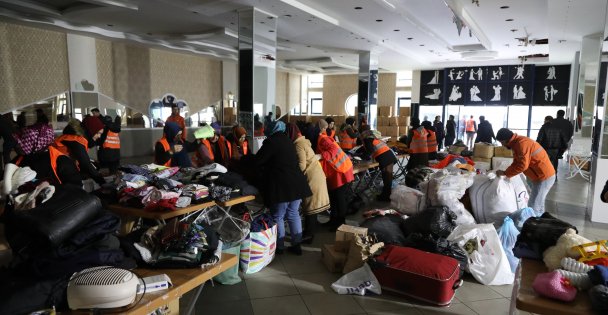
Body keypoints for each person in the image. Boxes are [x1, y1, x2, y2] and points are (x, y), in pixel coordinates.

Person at [255, 120, 312, 255]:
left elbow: (259, 160)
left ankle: (279, 247)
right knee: (293, 214)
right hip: (297, 184)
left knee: (278, 216)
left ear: (271, 129)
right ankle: (297, 245)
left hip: (282, 185)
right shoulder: (288, 141)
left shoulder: (271, 142)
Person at [286, 123, 330, 243]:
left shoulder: (298, 145)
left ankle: (309, 235)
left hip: (312, 177)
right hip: (316, 175)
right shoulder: (304, 142)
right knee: (312, 207)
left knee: (310, 207)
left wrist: (291, 175)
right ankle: (309, 233)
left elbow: (301, 164)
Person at [495, 128, 556, 214]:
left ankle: (533, 225)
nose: (502, 145)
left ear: (506, 140)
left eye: (502, 142)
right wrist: (506, 173)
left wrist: (506, 173)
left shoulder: (521, 144)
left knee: (533, 206)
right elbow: (517, 162)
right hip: (541, 176)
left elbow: (522, 165)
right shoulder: (517, 143)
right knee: (539, 204)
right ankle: (541, 222)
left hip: (544, 177)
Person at [52, 118, 105, 185]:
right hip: (56, 172)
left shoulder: (73, 137)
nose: (99, 136)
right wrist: (102, 183)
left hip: (59, 169)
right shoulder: (76, 140)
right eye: (98, 133)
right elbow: (85, 164)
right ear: (91, 131)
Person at [318, 134, 354, 230]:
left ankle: (340, 224)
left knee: (339, 198)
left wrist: (320, 156)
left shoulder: (323, 139)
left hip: (341, 171)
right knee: (333, 198)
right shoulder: (320, 140)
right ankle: (333, 221)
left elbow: (333, 150)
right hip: (335, 172)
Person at [361, 128, 398, 201]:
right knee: (388, 179)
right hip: (389, 156)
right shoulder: (374, 138)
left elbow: (370, 150)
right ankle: (386, 196)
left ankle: (385, 197)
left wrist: (364, 156)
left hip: (385, 157)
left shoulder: (367, 139)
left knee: (386, 178)